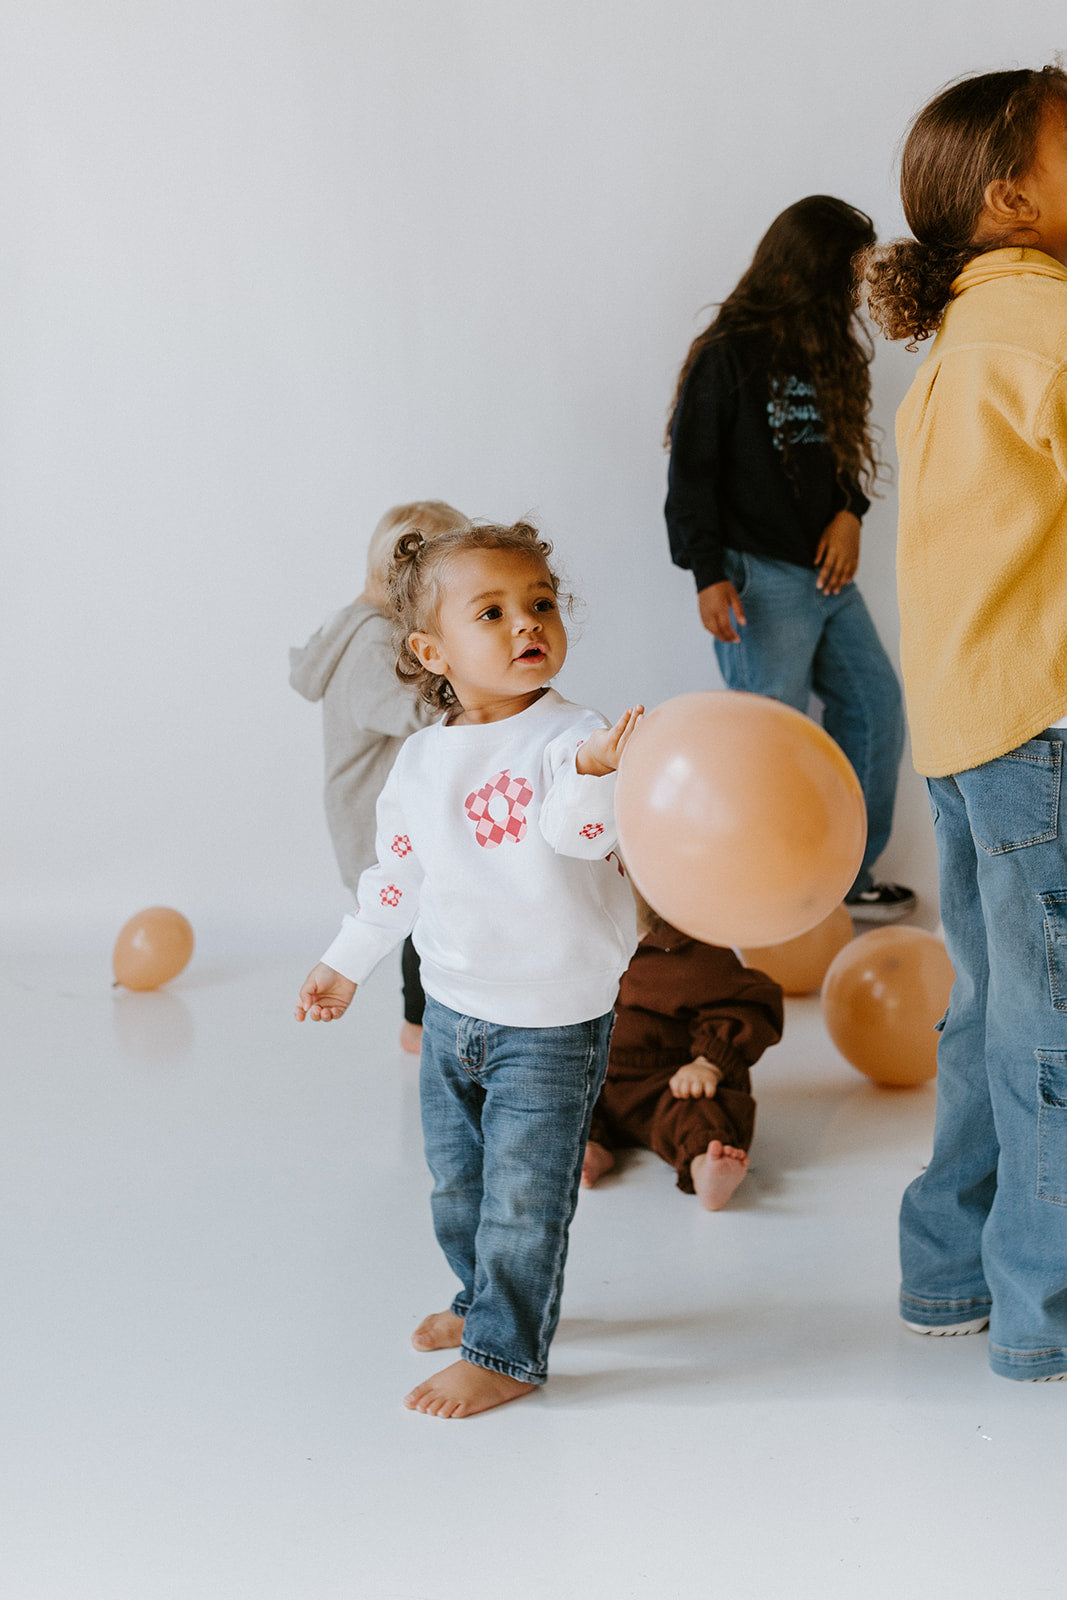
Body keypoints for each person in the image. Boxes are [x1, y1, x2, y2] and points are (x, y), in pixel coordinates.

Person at [294, 520, 642, 1418]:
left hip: (552, 1012)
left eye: (540, 604)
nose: (527, 624)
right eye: (491, 612)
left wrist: (597, 772)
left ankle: (508, 1351)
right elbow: (395, 876)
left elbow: (580, 834)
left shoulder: (575, 734)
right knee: (459, 1188)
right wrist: (346, 963)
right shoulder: (419, 757)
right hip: (453, 1005)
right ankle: (479, 1298)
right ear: (431, 650)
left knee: (523, 1198)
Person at [865, 64, 1067, 1381]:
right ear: (1011, 200)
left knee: (997, 1012)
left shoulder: (961, 344)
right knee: (1046, 1032)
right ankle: (1042, 1311)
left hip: (968, 727)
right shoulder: (1045, 331)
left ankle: (947, 1273)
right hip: (1040, 727)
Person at [665, 195, 914, 922]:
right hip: (758, 578)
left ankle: (844, 876)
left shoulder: (829, 349)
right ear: (808, 269)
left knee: (874, 709)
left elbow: (842, 458)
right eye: (848, 272)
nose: (856, 287)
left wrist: (850, 513)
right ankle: (760, 893)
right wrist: (707, 574)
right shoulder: (728, 355)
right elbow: (691, 476)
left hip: (828, 575)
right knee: (765, 742)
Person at [289, 501, 468, 1053]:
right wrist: (469, 679)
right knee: (418, 911)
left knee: (424, 910)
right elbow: (409, 712)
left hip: (376, 806)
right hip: (374, 814)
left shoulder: (359, 628)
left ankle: (426, 1021)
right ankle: (419, 1026)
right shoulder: (369, 642)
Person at [580, 896, 784, 1210]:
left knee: (701, 1108)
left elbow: (745, 1004)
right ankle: (589, 1148)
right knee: (562, 1100)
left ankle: (705, 1162)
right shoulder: (579, 945)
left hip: (669, 1080)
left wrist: (709, 1062)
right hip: (598, 1076)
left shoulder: (686, 951)